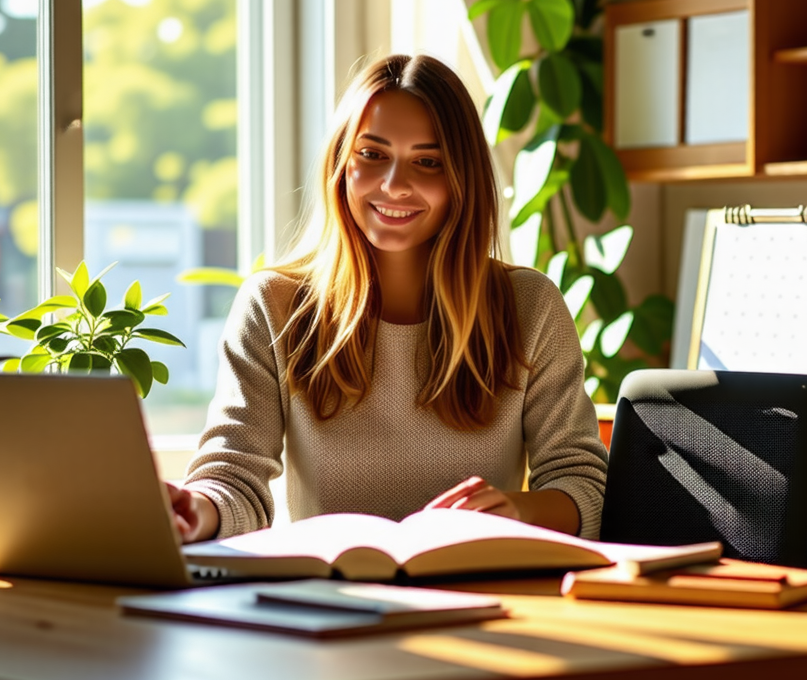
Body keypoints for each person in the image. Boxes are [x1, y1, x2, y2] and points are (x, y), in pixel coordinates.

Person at [166, 53, 608, 543]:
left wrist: (516, 512)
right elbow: (234, 476)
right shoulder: (274, 305)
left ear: (462, 177)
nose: (395, 185)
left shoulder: (530, 306)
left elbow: (582, 483)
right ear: (341, 165)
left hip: (486, 595)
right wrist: (193, 510)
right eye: (372, 155)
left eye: (427, 162)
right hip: (327, 601)